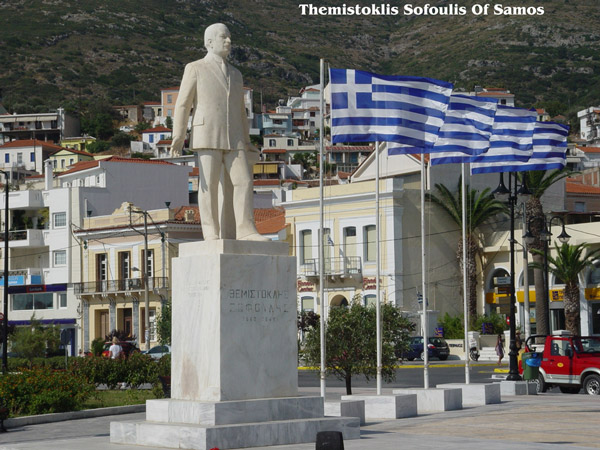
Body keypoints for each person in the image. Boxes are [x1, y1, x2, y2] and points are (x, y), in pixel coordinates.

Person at [170, 23, 267, 242]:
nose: (229, 41)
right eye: (224, 37)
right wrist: (179, 134)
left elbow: (241, 112)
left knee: (244, 182)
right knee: (209, 185)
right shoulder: (195, 68)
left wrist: (247, 139)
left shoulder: (236, 74)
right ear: (209, 42)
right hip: (207, 133)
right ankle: (210, 230)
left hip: (235, 137)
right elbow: (183, 104)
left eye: (230, 37)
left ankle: (245, 229)